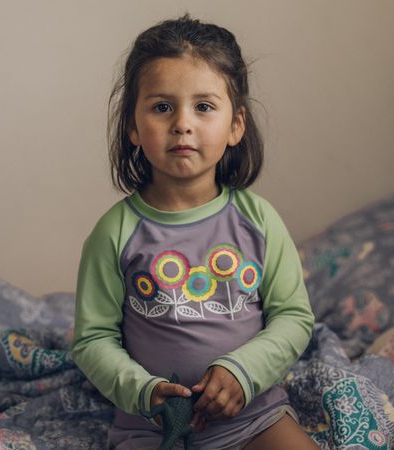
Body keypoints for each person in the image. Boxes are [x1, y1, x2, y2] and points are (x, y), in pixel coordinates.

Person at [71, 14, 319, 450]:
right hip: (150, 426)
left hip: (254, 417)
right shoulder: (115, 232)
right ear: (133, 126)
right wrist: (143, 391)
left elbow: (294, 318)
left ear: (236, 126)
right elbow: (93, 339)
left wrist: (243, 372)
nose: (182, 123)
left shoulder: (259, 220)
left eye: (203, 107)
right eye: (162, 107)